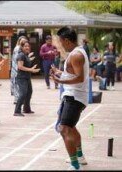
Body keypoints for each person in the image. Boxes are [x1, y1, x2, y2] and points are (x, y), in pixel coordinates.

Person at [50, 26, 89, 170]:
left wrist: (60, 81)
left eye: (60, 42)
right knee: (71, 128)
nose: (60, 45)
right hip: (73, 96)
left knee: (64, 129)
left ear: (66, 40)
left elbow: (79, 78)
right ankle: (80, 157)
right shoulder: (77, 52)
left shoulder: (76, 55)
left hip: (74, 97)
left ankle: (75, 165)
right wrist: (61, 72)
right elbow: (73, 73)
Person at [13, 41, 40, 116]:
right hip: (21, 78)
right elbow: (20, 67)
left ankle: (26, 109)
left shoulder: (25, 55)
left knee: (29, 92)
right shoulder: (21, 55)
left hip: (27, 77)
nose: (27, 47)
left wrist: (29, 59)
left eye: (28, 46)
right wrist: (31, 69)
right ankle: (17, 111)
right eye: (25, 46)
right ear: (21, 47)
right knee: (23, 94)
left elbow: (26, 62)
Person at [11, 36, 29, 104]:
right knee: (16, 84)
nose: (24, 43)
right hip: (16, 69)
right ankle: (17, 99)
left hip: (16, 68)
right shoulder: (17, 48)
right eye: (23, 41)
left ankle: (18, 98)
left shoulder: (19, 49)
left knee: (17, 84)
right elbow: (17, 60)